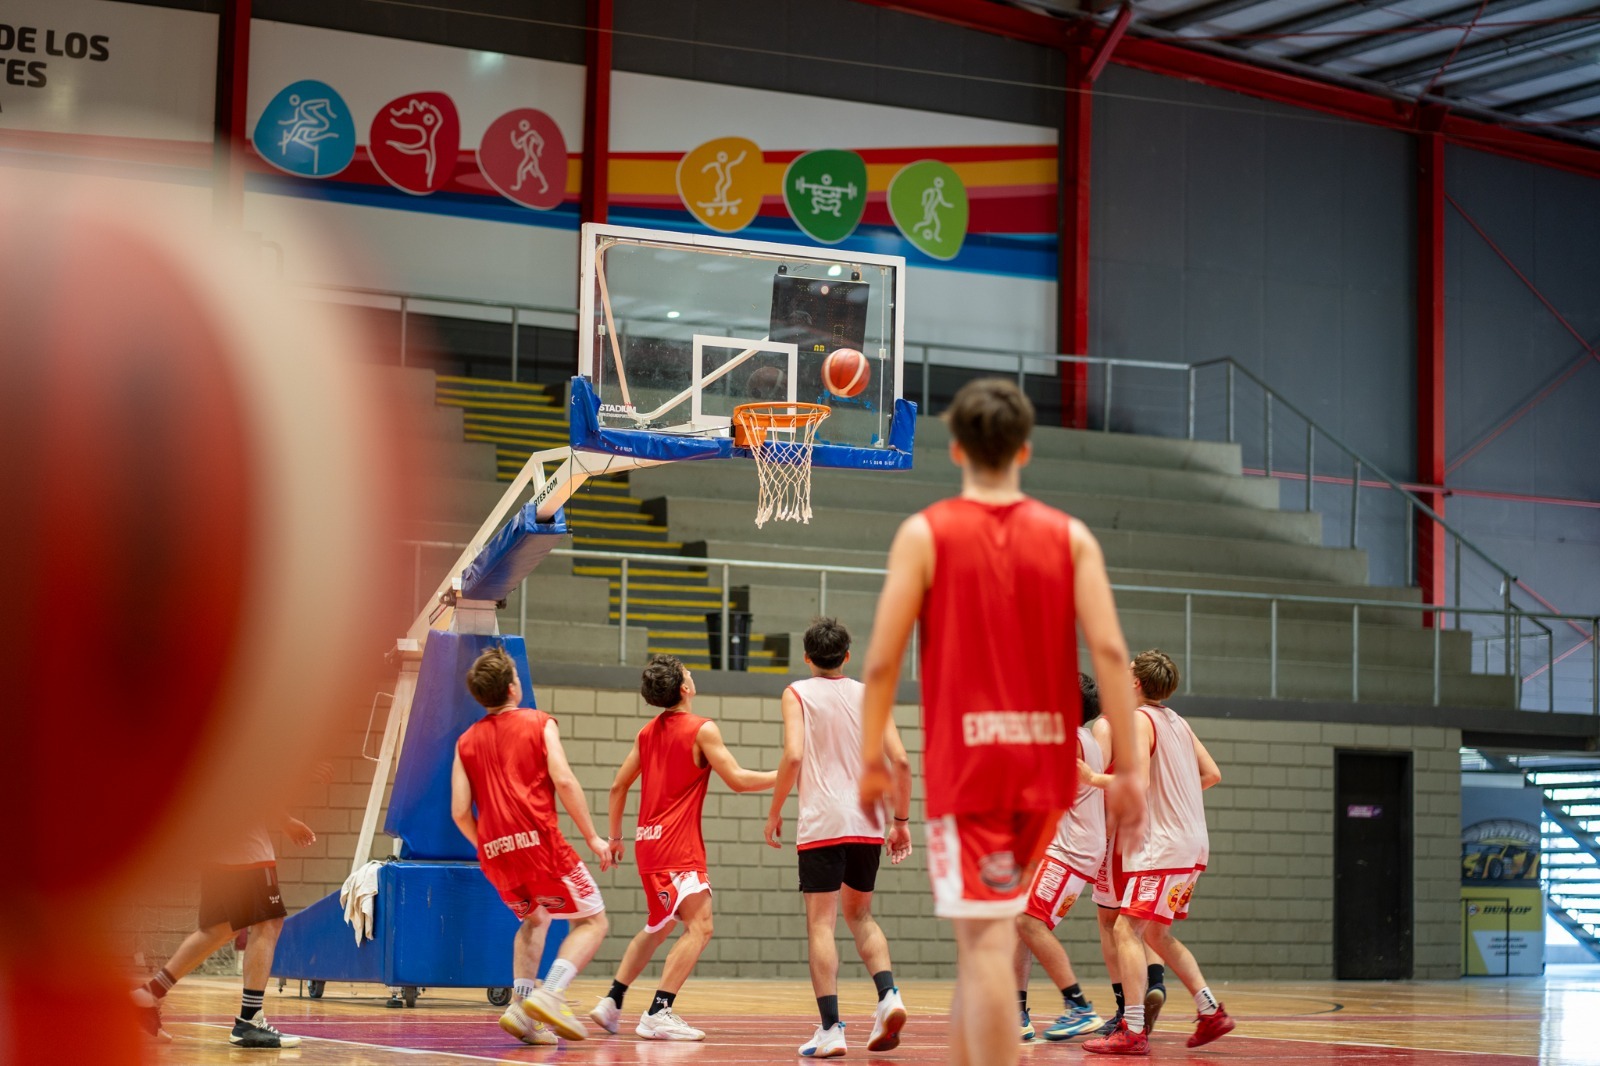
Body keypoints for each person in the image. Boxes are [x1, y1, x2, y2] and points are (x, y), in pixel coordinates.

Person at [858, 377, 1147, 1066]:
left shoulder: (925, 533)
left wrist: (872, 755)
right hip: (1044, 770)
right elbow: (1110, 652)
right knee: (988, 944)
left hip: (973, 768)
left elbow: (881, 661)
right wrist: (1130, 766)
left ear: (955, 447)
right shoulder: (1071, 537)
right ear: (1026, 449)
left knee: (984, 945)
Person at [589, 655, 776, 1041]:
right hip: (678, 850)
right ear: (685, 689)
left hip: (647, 848)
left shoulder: (646, 733)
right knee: (701, 926)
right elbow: (738, 780)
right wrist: (789, 774)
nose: (692, 675)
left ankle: (612, 1000)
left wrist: (615, 837)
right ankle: (659, 1011)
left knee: (658, 926)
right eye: (689, 673)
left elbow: (617, 786)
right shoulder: (701, 729)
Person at [764, 618, 914, 1058]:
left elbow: (793, 755)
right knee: (862, 917)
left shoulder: (796, 692)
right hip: (867, 821)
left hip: (822, 823)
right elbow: (902, 762)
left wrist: (775, 811)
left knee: (821, 925)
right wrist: (901, 821)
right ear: (848, 655)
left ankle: (831, 1029)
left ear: (807, 658)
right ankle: (888, 995)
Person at [451, 645, 611, 1045]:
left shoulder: (465, 741)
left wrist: (489, 845)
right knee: (592, 921)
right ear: (511, 687)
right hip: (540, 846)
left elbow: (458, 811)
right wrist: (592, 835)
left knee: (535, 918)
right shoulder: (539, 722)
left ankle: (522, 1009)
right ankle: (552, 993)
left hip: (495, 855)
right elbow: (565, 780)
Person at [1085, 649, 1232, 1056]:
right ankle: (1210, 1010)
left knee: (1123, 930)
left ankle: (1132, 1029)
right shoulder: (1178, 721)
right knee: (1156, 934)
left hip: (1162, 845)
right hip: (1192, 842)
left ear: (1135, 682)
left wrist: (1091, 776)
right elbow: (1212, 773)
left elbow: (1137, 781)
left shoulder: (1138, 719)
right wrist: (1175, 800)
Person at [130, 815, 318, 1048]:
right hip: (245, 841)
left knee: (220, 928)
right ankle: (249, 1022)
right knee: (268, 922)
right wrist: (285, 821)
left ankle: (149, 993)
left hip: (216, 839)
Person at [1016, 673, 1106, 1043]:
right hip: (1072, 845)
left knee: (1028, 922)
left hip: (1070, 848)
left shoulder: (1069, 743)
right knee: (1021, 924)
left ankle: (1079, 1006)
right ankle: (1016, 1013)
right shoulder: (1083, 738)